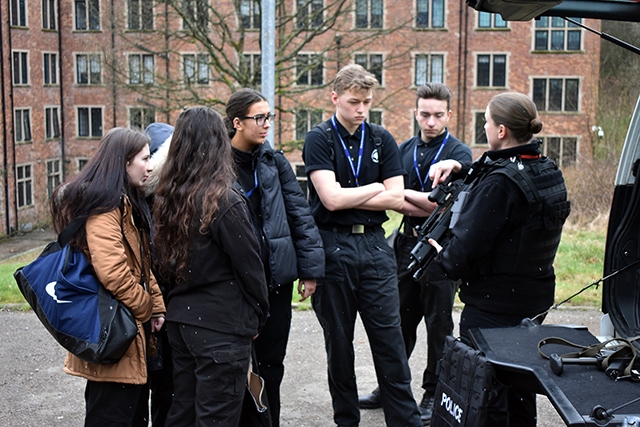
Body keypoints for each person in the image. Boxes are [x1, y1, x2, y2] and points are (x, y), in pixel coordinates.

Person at [428, 92, 571, 426]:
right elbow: (507, 185)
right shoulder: (546, 168)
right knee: (520, 388)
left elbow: (461, 255)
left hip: (494, 308)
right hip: (532, 299)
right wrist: (462, 168)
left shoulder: (502, 184)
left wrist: (442, 254)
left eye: (487, 121)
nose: (485, 126)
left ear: (502, 130)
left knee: (488, 396)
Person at [302, 63, 423, 427]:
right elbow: (331, 201)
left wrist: (356, 194)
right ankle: (346, 421)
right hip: (333, 248)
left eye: (367, 102)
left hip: (374, 247)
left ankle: (406, 421)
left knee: (390, 343)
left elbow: (397, 196)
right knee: (339, 346)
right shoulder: (319, 138)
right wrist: (374, 189)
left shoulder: (381, 138)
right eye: (354, 101)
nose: (361, 109)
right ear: (335, 97)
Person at [358, 83, 472, 425]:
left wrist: (400, 195)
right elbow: (405, 202)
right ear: (416, 113)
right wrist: (414, 199)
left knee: (439, 325)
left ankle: (433, 392)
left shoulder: (460, 155)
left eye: (438, 115)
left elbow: (441, 206)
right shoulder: (404, 149)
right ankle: (391, 387)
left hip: (439, 249)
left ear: (449, 115)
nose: (431, 121)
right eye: (425, 114)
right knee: (398, 322)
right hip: (405, 245)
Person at [151, 107, 270, 426]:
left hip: (183, 323)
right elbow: (250, 266)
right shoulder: (223, 199)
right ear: (219, 143)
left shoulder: (168, 197)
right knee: (215, 417)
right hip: (220, 326)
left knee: (184, 412)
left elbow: (164, 264)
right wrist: (259, 313)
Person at [50, 127, 167, 426]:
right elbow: (113, 272)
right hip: (113, 332)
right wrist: (145, 307)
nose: (150, 166)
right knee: (111, 416)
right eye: (144, 159)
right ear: (124, 163)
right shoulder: (105, 208)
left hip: (125, 331)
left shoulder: (126, 203)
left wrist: (156, 306)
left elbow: (142, 264)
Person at [224, 88, 325, 427]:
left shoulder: (275, 162)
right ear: (237, 122)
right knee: (235, 363)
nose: (267, 124)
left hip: (276, 281)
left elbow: (299, 215)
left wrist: (309, 271)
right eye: (259, 117)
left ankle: (270, 422)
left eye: (269, 116)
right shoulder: (218, 164)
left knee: (271, 363)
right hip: (235, 284)